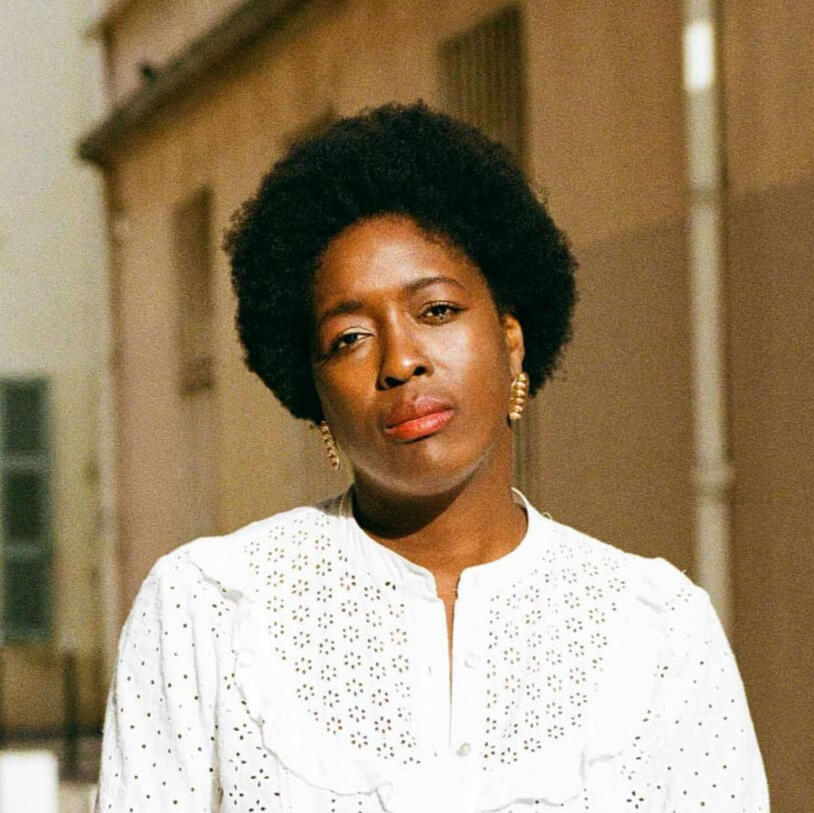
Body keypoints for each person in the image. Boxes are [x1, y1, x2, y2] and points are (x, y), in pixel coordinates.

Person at [95, 102, 768, 812]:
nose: (400, 360)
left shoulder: (658, 625)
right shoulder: (208, 607)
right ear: (313, 393)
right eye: (349, 338)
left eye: (437, 311)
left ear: (511, 341)